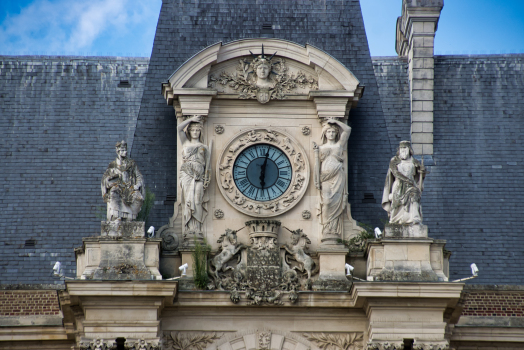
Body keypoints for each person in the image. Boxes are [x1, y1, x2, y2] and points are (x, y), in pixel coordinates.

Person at [313, 119, 352, 236]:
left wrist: (335, 121)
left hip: (338, 176)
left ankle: (333, 230)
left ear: (336, 133)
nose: (331, 134)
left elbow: (348, 129)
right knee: (327, 202)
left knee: (336, 203)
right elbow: (317, 165)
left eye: (333, 132)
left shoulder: (339, 145)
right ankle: (326, 227)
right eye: (328, 132)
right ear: (325, 133)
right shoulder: (320, 148)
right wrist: (317, 180)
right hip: (325, 178)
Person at [177, 115, 211, 235]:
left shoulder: (204, 147)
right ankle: (190, 228)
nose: (195, 132)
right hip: (186, 175)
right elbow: (179, 128)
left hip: (199, 176)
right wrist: (191, 120)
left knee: (197, 200)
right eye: (193, 130)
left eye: (197, 130)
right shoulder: (185, 143)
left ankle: (197, 228)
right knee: (188, 201)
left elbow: (208, 166)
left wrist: (206, 178)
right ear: (189, 131)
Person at [382, 140, 425, 224]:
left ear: (409, 149)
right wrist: (407, 180)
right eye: (401, 148)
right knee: (396, 198)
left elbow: (420, 175)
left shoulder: (414, 162)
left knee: (414, 195)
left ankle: (414, 217)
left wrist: (422, 172)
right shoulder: (394, 160)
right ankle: (394, 219)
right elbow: (395, 173)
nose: (403, 150)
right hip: (398, 185)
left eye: (405, 148)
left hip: (411, 186)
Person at [101, 140, 145, 221]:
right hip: (118, 188)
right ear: (118, 151)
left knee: (139, 198)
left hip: (130, 188)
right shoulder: (113, 165)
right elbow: (105, 179)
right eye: (123, 150)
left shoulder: (131, 164)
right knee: (114, 192)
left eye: (125, 150)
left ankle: (130, 217)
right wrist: (109, 180)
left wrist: (137, 185)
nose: (125, 152)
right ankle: (118, 217)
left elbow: (139, 176)